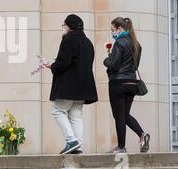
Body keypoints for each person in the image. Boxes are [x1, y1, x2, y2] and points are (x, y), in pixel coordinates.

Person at [47, 14, 98, 155]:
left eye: (64, 25)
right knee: (76, 115)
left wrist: (52, 66)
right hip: (83, 86)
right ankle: (79, 145)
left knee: (58, 111)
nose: (63, 28)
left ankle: (71, 140)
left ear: (70, 26)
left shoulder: (68, 40)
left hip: (69, 86)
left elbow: (63, 63)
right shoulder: (88, 42)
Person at [103, 17, 150, 153]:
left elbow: (114, 64)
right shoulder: (136, 44)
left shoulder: (119, 43)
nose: (113, 33)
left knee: (118, 115)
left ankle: (121, 147)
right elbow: (135, 66)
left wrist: (106, 60)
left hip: (118, 83)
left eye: (113, 30)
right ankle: (142, 134)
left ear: (119, 28)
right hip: (132, 82)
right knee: (124, 114)